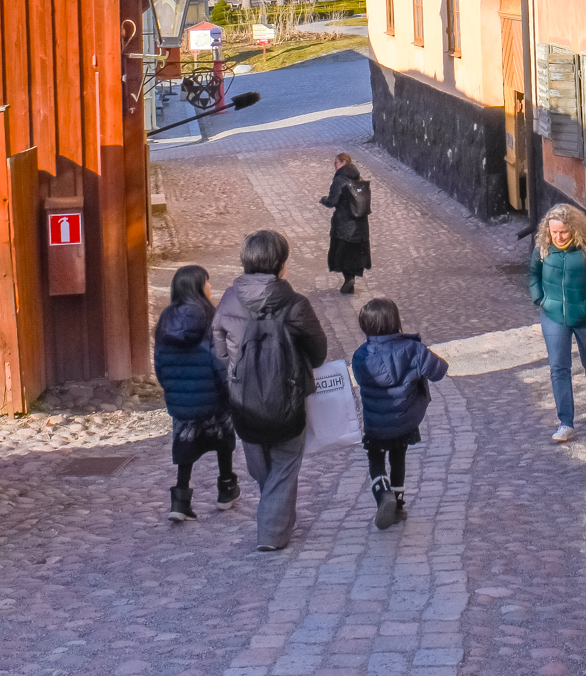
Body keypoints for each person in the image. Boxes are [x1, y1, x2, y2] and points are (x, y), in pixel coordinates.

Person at [214, 229, 329, 552]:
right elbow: (318, 350)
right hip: (288, 397)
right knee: (286, 462)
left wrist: (240, 371)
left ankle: (275, 512)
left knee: (260, 464)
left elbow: (220, 351)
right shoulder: (296, 304)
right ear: (282, 265)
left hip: (243, 398)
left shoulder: (227, 300)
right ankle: (273, 531)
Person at [350, 297, 449, 530]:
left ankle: (383, 495)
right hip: (404, 420)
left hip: (375, 422)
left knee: (375, 458)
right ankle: (398, 506)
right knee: (398, 457)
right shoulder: (413, 350)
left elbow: (360, 379)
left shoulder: (360, 356)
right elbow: (439, 371)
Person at [151, 264, 240, 521]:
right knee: (224, 441)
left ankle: (180, 501)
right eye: (208, 282)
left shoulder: (166, 321)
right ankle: (226, 489)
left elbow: (159, 363)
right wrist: (228, 391)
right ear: (199, 287)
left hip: (182, 402)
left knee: (185, 449)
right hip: (213, 399)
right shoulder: (210, 318)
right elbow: (219, 361)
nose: (211, 286)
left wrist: (171, 390)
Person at [527, 203, 586, 442]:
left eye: (563, 232)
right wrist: (540, 299)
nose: (558, 237)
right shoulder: (543, 248)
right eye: (554, 232)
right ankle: (565, 422)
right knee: (558, 367)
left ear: (575, 229)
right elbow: (533, 274)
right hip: (553, 316)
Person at [320, 152, 371, 294]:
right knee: (353, 255)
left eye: (336, 163)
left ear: (343, 162)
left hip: (344, 226)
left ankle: (348, 279)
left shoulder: (340, 180)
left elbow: (332, 201)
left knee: (342, 254)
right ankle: (350, 279)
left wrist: (323, 199)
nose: (334, 166)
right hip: (360, 226)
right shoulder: (358, 178)